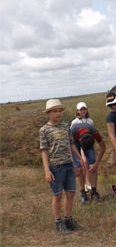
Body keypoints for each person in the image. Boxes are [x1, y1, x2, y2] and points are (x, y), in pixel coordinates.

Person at [39, 99, 84, 234]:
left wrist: (79, 158)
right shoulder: (44, 130)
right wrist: (47, 170)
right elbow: (44, 151)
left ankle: (68, 219)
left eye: (59, 111)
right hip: (55, 167)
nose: (58, 114)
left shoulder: (65, 126)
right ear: (48, 113)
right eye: (54, 111)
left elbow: (71, 144)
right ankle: (58, 222)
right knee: (57, 195)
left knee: (70, 193)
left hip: (69, 164)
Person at [70, 122, 106, 203]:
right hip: (74, 140)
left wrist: (96, 163)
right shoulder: (71, 132)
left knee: (92, 164)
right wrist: (75, 164)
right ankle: (83, 193)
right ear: (80, 140)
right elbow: (68, 149)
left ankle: (94, 192)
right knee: (80, 167)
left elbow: (103, 148)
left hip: (85, 138)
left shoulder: (95, 132)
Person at [71, 102, 94, 195]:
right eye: (81, 109)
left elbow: (92, 133)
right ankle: (83, 189)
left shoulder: (90, 121)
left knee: (88, 165)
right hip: (78, 145)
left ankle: (88, 186)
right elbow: (72, 135)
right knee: (83, 165)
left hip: (88, 145)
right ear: (77, 111)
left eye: (84, 109)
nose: (83, 111)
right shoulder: (75, 122)